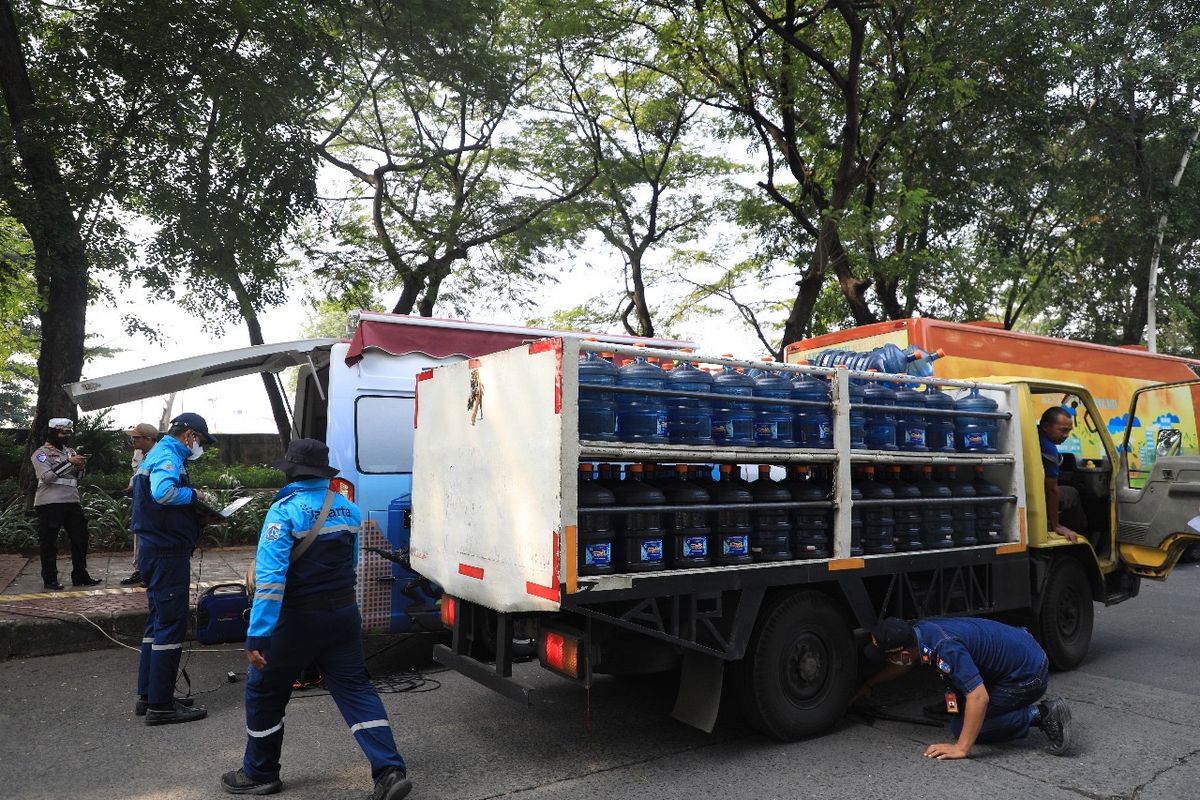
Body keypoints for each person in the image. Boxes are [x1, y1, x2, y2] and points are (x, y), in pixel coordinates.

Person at [221, 438, 412, 800]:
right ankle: (389, 771)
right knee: (356, 689)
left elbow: (270, 581)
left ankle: (259, 772)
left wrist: (257, 635)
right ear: (323, 473)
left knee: (264, 690)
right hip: (342, 615)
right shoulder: (348, 509)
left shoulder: (284, 512)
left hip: (296, 620)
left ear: (291, 471)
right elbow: (351, 565)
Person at [856, 616, 1072, 759]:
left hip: (1029, 674)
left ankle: (1042, 714)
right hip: (1021, 650)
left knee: (962, 728)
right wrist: (869, 685)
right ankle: (960, 708)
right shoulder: (920, 632)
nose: (890, 661)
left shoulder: (945, 648)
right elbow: (901, 666)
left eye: (888, 657)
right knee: (962, 710)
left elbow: (979, 697)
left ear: (903, 654)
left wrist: (961, 748)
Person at [132, 412, 217, 725]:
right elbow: (164, 493)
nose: (200, 447)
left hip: (156, 550)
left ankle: (150, 695)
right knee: (170, 625)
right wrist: (196, 495)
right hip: (167, 553)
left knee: (157, 623)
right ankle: (162, 706)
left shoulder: (157, 454)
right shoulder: (168, 454)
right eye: (201, 441)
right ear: (190, 435)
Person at [30, 417, 101, 591]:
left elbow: (77, 479)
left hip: (72, 500)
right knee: (49, 542)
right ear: (52, 432)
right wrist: (69, 463)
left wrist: (81, 467)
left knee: (80, 538)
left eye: (68, 433)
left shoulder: (70, 451)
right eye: (62, 432)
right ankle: (50, 578)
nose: (65, 436)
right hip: (49, 502)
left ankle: (80, 575)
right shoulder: (41, 453)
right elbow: (46, 477)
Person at [1040, 407, 1088, 543]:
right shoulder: (1048, 448)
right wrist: (1056, 525)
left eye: (1069, 431)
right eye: (1063, 430)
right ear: (1045, 426)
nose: (1066, 435)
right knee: (1072, 493)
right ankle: (1081, 535)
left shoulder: (1035, 434)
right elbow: (1052, 489)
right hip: (1039, 497)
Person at [121, 423, 160, 586]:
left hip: (152, 503)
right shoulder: (140, 453)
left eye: (136, 438)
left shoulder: (159, 455)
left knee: (151, 538)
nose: (133, 441)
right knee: (139, 536)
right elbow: (137, 473)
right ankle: (141, 570)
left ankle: (150, 572)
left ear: (148, 439)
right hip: (140, 500)